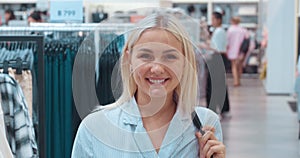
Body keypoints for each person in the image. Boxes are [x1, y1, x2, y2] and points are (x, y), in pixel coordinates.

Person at [72, 11, 225, 157]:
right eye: (145, 56)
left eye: (170, 56)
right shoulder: (94, 128)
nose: (157, 68)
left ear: (185, 62)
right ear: (128, 59)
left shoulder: (205, 124)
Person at [226, 16, 249, 86]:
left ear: (232, 21)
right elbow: (247, 39)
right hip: (241, 50)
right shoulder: (243, 30)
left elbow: (227, 41)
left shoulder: (230, 30)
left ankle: (236, 81)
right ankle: (238, 80)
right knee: (239, 66)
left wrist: (226, 49)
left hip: (232, 50)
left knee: (234, 66)